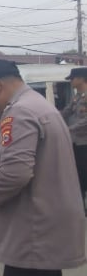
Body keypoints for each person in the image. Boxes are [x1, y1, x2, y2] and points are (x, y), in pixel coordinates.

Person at [0, 60, 86, 276]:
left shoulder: (19, 112)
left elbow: (15, 174)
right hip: (44, 230)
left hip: (33, 234)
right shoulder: (39, 105)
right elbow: (38, 166)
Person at [61, 67, 87, 215]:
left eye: (72, 78)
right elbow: (66, 111)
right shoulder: (77, 97)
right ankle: (80, 206)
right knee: (79, 174)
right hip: (76, 143)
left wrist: (70, 129)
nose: (71, 81)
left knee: (84, 174)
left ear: (82, 78)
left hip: (85, 143)